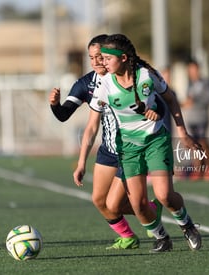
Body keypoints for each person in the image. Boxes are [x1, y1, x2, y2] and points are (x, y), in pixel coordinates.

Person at [50, 34, 166, 250]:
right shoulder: (86, 84)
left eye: (99, 57)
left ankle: (151, 216)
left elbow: (160, 105)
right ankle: (130, 234)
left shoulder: (134, 76)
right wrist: (55, 106)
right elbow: (73, 118)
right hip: (107, 150)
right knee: (99, 200)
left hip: (129, 148)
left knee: (120, 202)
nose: (96, 62)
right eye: (91, 57)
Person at [90, 33, 202, 252]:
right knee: (138, 204)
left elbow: (170, 99)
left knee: (164, 195)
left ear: (123, 58)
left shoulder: (147, 75)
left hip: (155, 142)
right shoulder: (104, 83)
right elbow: (93, 121)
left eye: (106, 58)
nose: (102, 63)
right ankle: (162, 238)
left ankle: (187, 225)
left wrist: (183, 132)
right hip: (128, 148)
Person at [182, 59, 209, 181]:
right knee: (194, 144)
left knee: (202, 141)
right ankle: (198, 168)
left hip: (202, 117)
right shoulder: (189, 84)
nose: (192, 72)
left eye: (193, 69)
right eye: (190, 69)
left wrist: (194, 101)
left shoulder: (205, 83)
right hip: (192, 118)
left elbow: (208, 98)